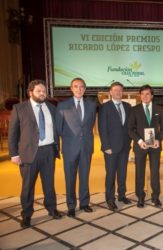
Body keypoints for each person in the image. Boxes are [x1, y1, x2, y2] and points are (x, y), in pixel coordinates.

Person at [8, 80, 62, 228]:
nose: (42, 93)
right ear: (30, 92)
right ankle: (26, 214)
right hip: (28, 153)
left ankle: (52, 208)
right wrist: (14, 154)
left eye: (44, 91)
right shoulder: (19, 108)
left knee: (49, 184)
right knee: (27, 186)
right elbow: (13, 134)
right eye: (39, 91)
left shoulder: (51, 107)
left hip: (48, 151)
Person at [56, 77, 97, 217]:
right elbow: (59, 128)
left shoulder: (91, 105)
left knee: (84, 177)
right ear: (71, 89)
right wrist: (70, 139)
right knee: (70, 178)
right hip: (69, 147)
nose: (79, 89)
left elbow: (90, 125)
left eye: (81, 87)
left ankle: (84, 203)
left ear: (85, 89)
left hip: (86, 146)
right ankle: (71, 205)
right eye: (76, 86)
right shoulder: (63, 106)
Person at [128, 84, 163, 207]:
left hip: (155, 146)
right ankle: (140, 197)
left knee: (155, 171)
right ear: (140, 95)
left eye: (147, 94)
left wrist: (158, 140)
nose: (145, 96)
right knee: (140, 171)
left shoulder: (159, 109)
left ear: (152, 96)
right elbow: (130, 129)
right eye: (142, 94)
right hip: (141, 146)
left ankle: (155, 196)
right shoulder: (134, 110)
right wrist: (140, 141)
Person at [98, 82, 132, 211]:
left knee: (122, 173)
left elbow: (129, 126)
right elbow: (102, 128)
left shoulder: (128, 106)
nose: (118, 92)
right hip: (110, 148)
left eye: (120, 90)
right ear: (110, 92)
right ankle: (110, 199)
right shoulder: (105, 107)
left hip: (125, 146)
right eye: (115, 90)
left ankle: (122, 195)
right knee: (111, 174)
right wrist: (106, 146)